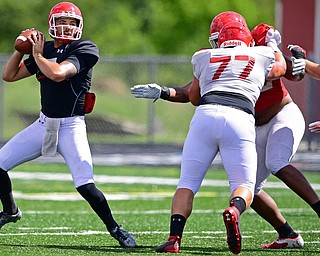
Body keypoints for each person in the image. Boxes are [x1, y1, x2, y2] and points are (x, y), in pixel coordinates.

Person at [132, 13, 311, 251]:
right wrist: (274, 47)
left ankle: (174, 239)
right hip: (240, 118)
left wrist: (166, 92)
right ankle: (235, 209)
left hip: (207, 117)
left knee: (187, 182)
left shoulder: (204, 56)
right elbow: (281, 68)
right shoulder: (263, 52)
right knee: (245, 184)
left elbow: (194, 96)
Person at [0, 1, 136, 248]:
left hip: (71, 127)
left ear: (79, 26)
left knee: (85, 185)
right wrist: (20, 49)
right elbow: (9, 76)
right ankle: (10, 211)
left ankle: (115, 229)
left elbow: (57, 73)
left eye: (71, 22)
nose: (66, 26)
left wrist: (37, 54)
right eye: (62, 21)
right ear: (52, 24)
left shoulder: (86, 48)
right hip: (43, 125)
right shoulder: (46, 48)